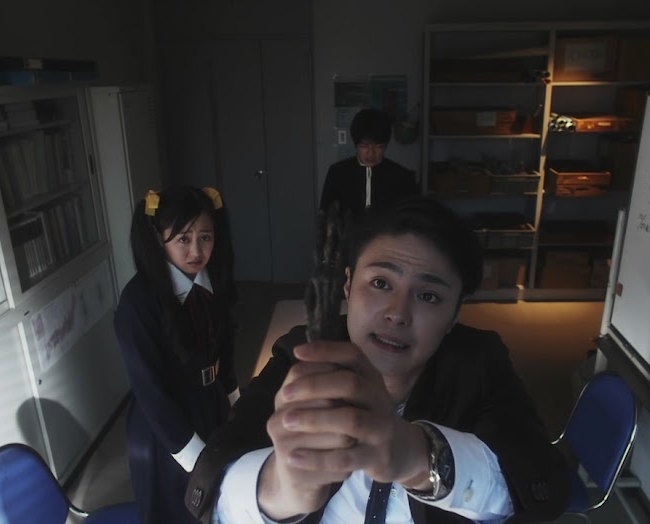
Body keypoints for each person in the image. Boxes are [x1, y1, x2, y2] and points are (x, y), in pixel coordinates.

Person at [185, 197, 569, 523]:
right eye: (381, 283)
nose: (397, 314)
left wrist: (420, 457)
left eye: (429, 296)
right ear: (348, 284)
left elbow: (543, 489)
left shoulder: (480, 364)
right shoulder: (299, 355)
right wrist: (280, 487)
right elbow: (212, 484)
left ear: (455, 314)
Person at [115, 186, 240, 523]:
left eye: (205, 237)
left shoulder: (214, 283)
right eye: (183, 239)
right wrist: (195, 457)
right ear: (159, 239)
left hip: (211, 403)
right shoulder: (137, 302)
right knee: (176, 507)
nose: (197, 250)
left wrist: (237, 406)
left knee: (217, 500)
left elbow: (225, 354)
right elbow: (150, 391)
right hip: (164, 424)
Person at [319, 108, 419, 222]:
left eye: (378, 147)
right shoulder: (337, 172)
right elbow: (324, 215)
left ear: (385, 146)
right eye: (364, 146)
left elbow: (413, 218)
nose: (371, 153)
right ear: (356, 144)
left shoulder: (402, 176)